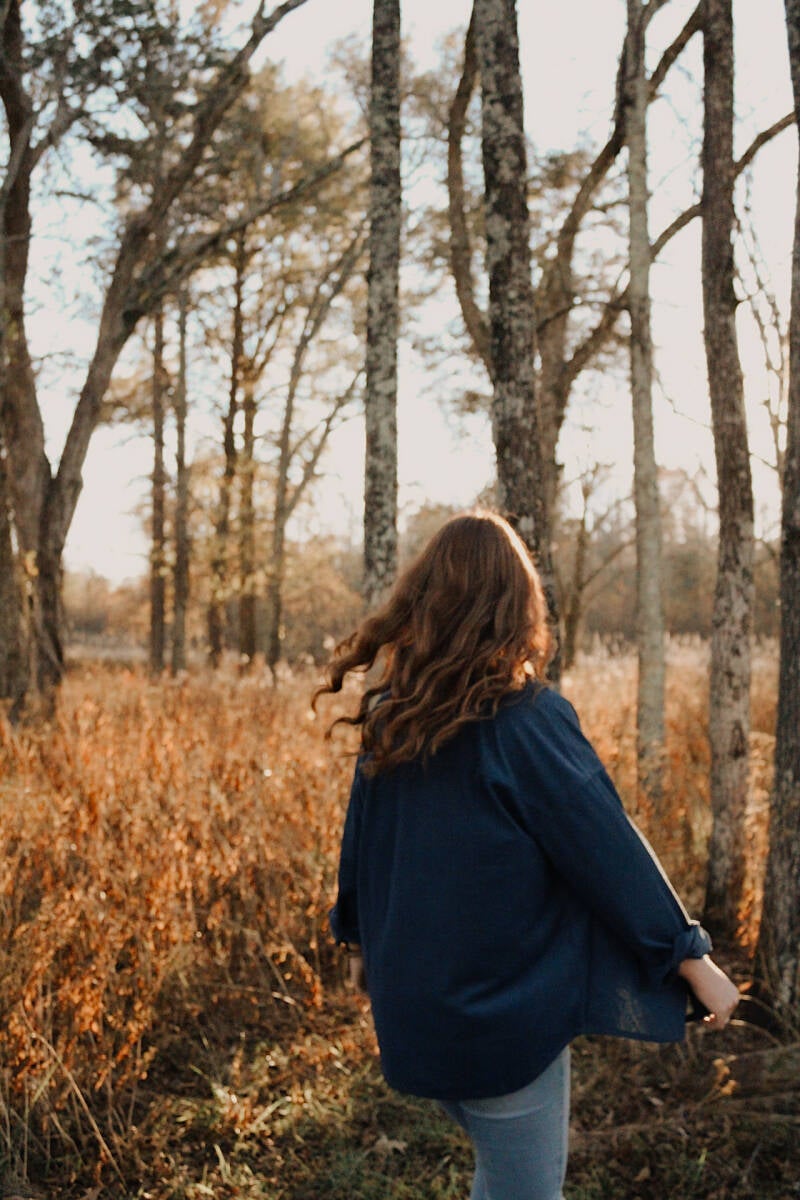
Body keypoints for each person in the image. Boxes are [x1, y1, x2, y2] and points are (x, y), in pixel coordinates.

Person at [316, 510, 739, 1200]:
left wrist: (361, 945)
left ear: (425, 603)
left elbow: (358, 845)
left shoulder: (396, 714)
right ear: (517, 607)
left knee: (502, 1177)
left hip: (411, 1014)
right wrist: (691, 958)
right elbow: (609, 852)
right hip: (496, 1024)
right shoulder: (527, 720)